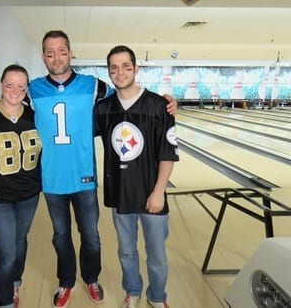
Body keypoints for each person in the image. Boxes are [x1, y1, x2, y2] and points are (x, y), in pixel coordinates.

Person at [28, 30, 178, 308]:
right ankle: (72, 283)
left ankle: (103, 281)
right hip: (59, 181)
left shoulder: (95, 87)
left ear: (71, 54)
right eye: (50, 52)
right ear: (43, 57)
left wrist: (169, 102)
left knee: (95, 238)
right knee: (66, 237)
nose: (57, 57)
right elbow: (11, 112)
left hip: (88, 180)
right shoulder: (33, 89)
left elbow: (134, 107)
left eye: (62, 51)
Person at [94, 45, 179, 308]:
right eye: (114, 68)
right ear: (109, 72)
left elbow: (167, 153)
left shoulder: (159, 106)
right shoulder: (103, 108)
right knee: (126, 251)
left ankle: (157, 296)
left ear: (136, 68)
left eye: (126, 66)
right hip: (120, 194)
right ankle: (132, 290)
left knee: (156, 255)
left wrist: (158, 192)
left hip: (152, 194)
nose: (120, 72)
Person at [0, 64, 42, 308]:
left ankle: (15, 282)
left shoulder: (35, 116)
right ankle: (4, 302)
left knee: (20, 241)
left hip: (28, 194)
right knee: (6, 252)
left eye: (21, 86)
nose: (15, 91)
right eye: (9, 85)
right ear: (0, 85)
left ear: (27, 89)